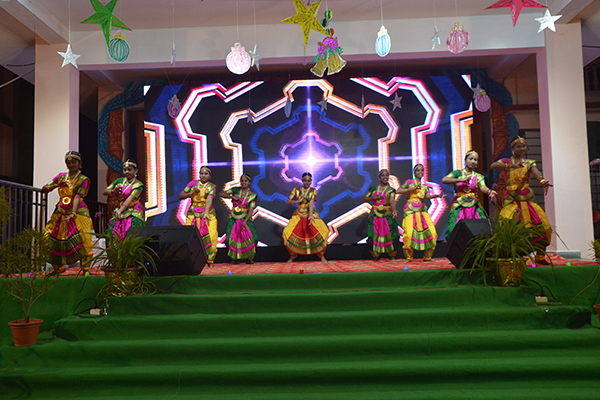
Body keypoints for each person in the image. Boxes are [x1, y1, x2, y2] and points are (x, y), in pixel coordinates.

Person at [490, 136, 553, 264]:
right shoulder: (506, 161)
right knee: (510, 227)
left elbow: (536, 172)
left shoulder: (529, 163)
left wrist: (542, 181)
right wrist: (511, 166)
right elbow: (493, 166)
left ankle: (540, 257)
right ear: (512, 148)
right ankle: (512, 256)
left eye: (524, 146)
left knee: (543, 227)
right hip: (511, 199)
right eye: (518, 146)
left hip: (527, 198)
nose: (522, 148)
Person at [41, 151, 94, 273]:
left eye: (73, 162)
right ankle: (58, 268)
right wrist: (56, 185)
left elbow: (77, 197)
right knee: (47, 238)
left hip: (79, 211)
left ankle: (85, 269)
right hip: (60, 211)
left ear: (80, 163)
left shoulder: (83, 179)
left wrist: (73, 214)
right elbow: (44, 189)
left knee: (84, 239)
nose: (71, 165)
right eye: (68, 163)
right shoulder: (61, 176)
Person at [441, 150, 497, 236]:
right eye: (471, 159)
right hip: (459, 204)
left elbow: (482, 187)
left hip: (473, 205)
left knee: (480, 228)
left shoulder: (478, 176)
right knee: (454, 228)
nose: (473, 162)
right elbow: (444, 180)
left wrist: (489, 191)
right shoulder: (457, 173)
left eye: (475, 160)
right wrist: (459, 180)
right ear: (465, 160)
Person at [396, 164, 444, 261]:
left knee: (432, 232)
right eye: (418, 170)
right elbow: (398, 191)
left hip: (421, 210)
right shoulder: (409, 182)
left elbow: (428, 196)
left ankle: (428, 256)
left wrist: (437, 195)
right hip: (410, 210)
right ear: (414, 172)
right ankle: (408, 256)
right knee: (409, 233)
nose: (420, 172)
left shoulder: (424, 186)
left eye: (422, 170)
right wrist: (410, 189)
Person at [282, 172, 328, 263]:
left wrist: (310, 215)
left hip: (310, 213)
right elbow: (288, 201)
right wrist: (297, 201)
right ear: (302, 180)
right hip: (298, 214)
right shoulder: (296, 189)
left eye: (309, 181)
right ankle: (293, 254)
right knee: (286, 232)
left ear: (311, 181)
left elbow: (311, 203)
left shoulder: (313, 190)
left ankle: (321, 254)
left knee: (324, 231)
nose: (307, 182)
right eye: (305, 181)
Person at [179, 166, 218, 264]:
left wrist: (206, 212)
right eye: (201, 173)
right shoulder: (192, 184)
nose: (203, 176)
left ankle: (210, 260)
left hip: (208, 214)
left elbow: (209, 199)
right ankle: (191, 260)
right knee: (189, 236)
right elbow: (181, 196)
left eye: (206, 174)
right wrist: (190, 194)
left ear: (210, 175)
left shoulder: (212, 187)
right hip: (193, 214)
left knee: (212, 236)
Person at [103, 159, 145, 241]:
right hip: (120, 211)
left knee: (131, 236)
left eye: (129, 170)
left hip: (133, 212)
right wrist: (113, 191)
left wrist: (120, 211)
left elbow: (130, 199)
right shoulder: (119, 181)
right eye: (125, 170)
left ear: (136, 170)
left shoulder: (138, 185)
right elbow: (105, 191)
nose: (127, 172)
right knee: (112, 235)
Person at [219, 174, 257, 264]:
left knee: (253, 239)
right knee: (230, 238)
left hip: (245, 218)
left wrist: (245, 221)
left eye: (245, 181)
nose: (243, 183)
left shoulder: (252, 195)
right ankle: (235, 259)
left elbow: (251, 211)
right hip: (233, 217)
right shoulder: (235, 190)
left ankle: (249, 259)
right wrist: (231, 197)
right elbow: (221, 194)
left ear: (249, 182)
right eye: (242, 181)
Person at [363, 169, 400, 260]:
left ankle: (391, 255)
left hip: (387, 214)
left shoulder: (391, 190)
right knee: (372, 236)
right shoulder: (373, 189)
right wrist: (374, 197)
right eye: (383, 175)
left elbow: (392, 200)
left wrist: (394, 210)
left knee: (393, 234)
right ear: (379, 177)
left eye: (386, 175)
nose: (385, 177)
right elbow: (365, 199)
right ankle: (376, 255)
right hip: (375, 215)